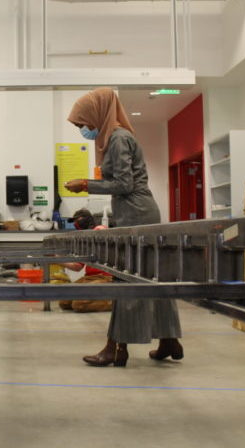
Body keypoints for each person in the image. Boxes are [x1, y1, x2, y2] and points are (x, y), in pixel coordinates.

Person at [64, 87, 183, 367]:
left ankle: (116, 348)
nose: (83, 129)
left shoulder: (118, 138)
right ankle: (168, 339)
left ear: (97, 114)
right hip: (140, 212)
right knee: (153, 278)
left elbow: (124, 184)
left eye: (83, 123)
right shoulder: (118, 137)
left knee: (126, 279)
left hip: (136, 214)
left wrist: (85, 185)